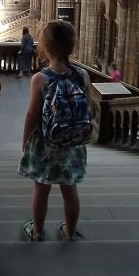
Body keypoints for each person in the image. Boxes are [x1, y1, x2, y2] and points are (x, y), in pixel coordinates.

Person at [18, 20, 90, 242]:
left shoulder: (41, 78)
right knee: (70, 190)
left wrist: (25, 141)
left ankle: (37, 232)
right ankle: (69, 231)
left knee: (41, 189)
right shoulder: (82, 75)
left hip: (46, 144)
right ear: (71, 46)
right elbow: (87, 108)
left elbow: (32, 115)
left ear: (45, 48)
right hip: (72, 143)